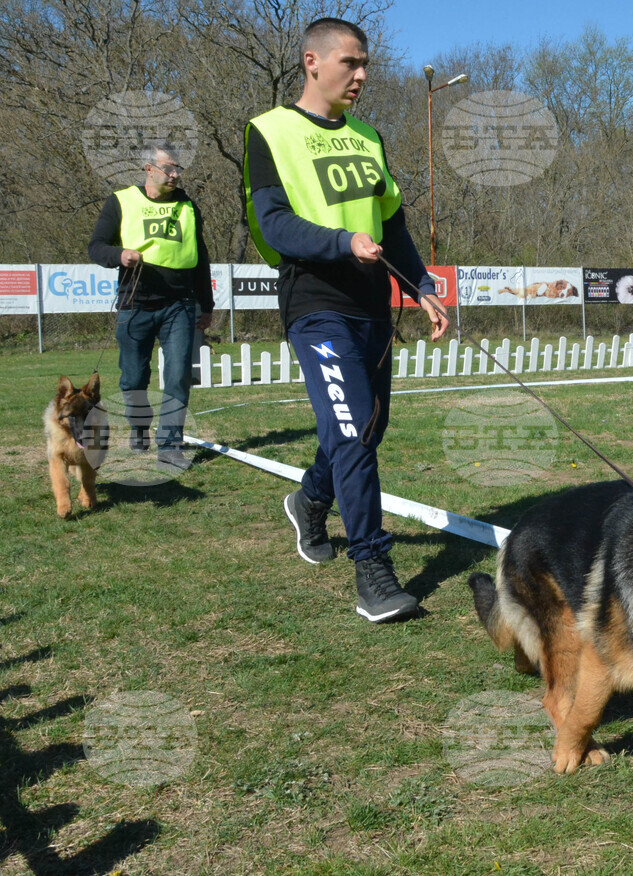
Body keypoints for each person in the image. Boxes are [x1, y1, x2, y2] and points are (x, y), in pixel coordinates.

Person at [243, 17, 449, 623]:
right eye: (349, 63)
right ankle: (373, 572)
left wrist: (421, 287)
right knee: (354, 431)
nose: (360, 75)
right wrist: (340, 241)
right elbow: (273, 223)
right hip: (315, 303)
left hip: (372, 305)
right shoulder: (269, 131)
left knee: (366, 429)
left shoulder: (367, 136)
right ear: (312, 61)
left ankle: (311, 500)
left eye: (365, 65)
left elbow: (394, 225)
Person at [89, 143, 214, 472]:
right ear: (149, 169)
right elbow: (96, 247)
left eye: (178, 169)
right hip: (135, 304)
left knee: (178, 375)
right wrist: (119, 255)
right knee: (133, 378)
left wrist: (207, 304)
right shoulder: (121, 201)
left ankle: (170, 446)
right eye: (168, 168)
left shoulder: (188, 206)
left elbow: (200, 257)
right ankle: (139, 426)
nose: (175, 174)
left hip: (180, 304)